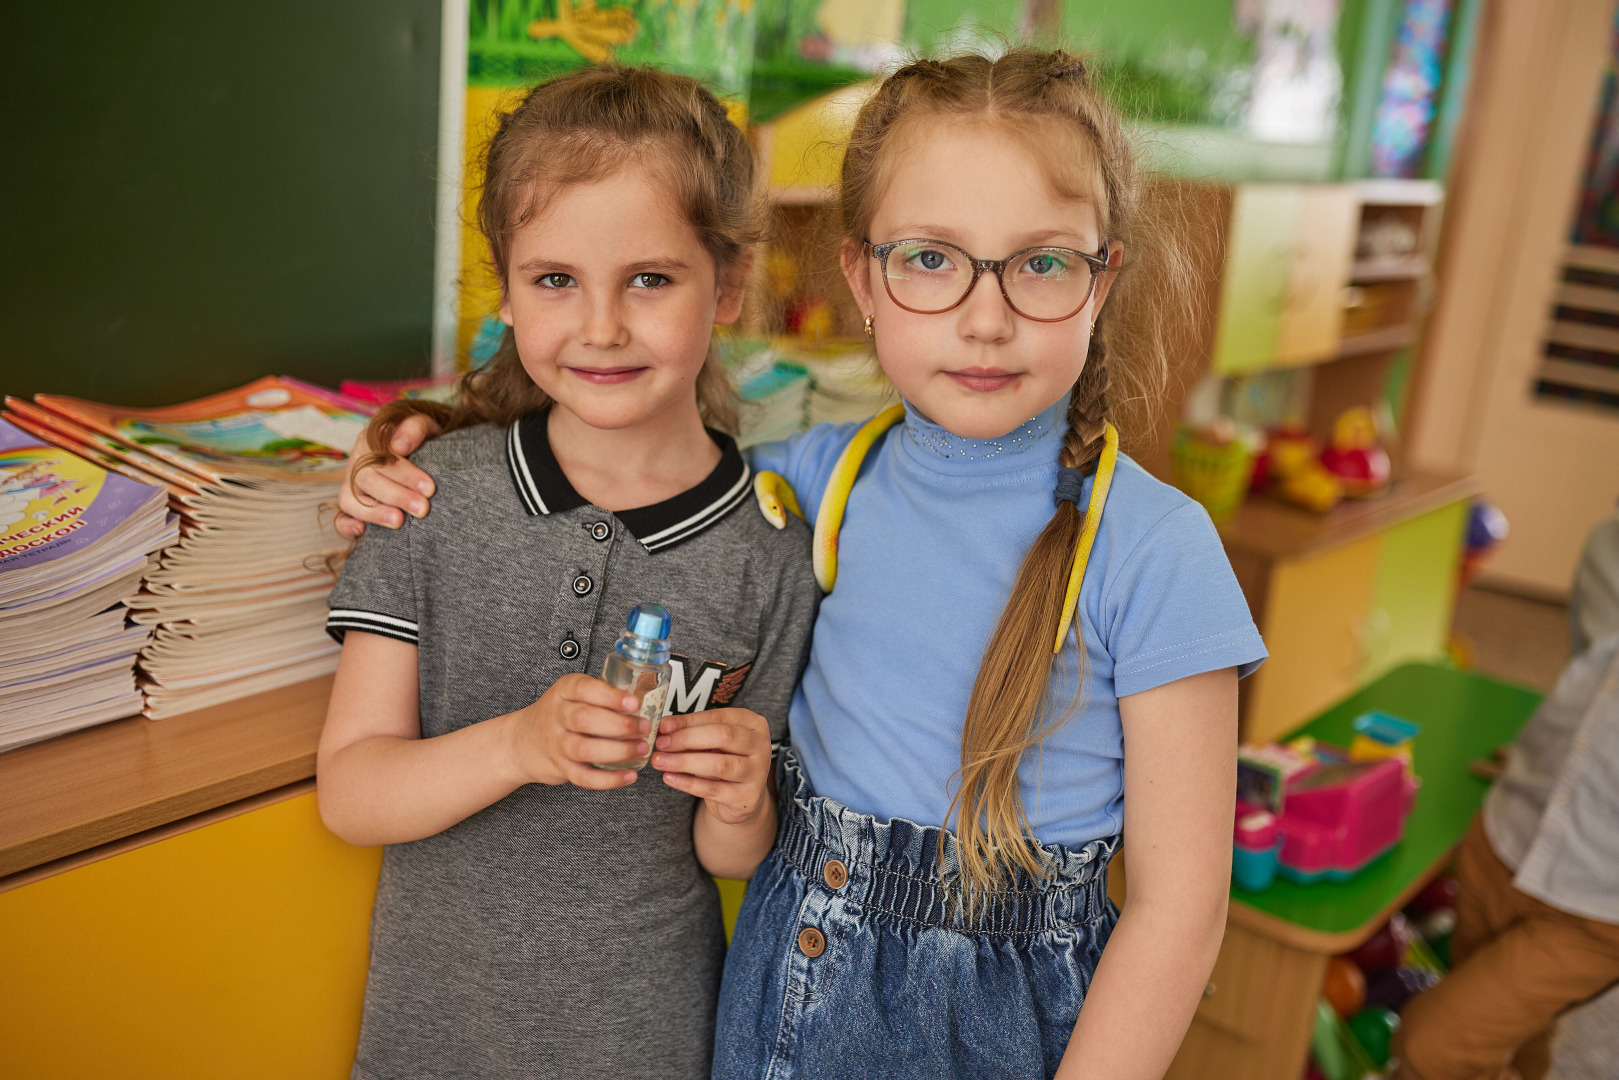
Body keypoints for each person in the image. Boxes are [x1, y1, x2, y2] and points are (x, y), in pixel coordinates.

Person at [339, 48, 1267, 1080]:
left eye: (1041, 262)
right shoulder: (805, 487)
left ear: (1106, 277)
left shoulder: (1156, 547)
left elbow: (1181, 911)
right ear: (861, 276)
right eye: (930, 258)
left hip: (1008, 1021)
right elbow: (626, 451)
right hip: (790, 987)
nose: (985, 315)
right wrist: (407, 452)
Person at [316, 65, 820, 1080]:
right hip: (433, 1040)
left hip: (647, 1042)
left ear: (726, 284)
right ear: (503, 288)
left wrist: (740, 801)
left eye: (649, 279)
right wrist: (517, 743)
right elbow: (352, 792)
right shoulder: (429, 497)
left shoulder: (772, 552)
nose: (599, 327)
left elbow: (734, 857)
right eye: (554, 280)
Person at [1393, 510, 1619, 1080]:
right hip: (1506, 837)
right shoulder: (1606, 549)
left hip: (1595, 906)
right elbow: (1588, 684)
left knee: (1434, 1045)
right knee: (1512, 1031)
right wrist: (1553, 761)